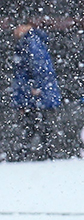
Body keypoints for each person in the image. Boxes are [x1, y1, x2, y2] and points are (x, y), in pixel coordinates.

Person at [10, 23, 62, 161]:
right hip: (37, 94)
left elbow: (38, 66)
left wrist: (34, 87)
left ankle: (27, 155)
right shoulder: (32, 41)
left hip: (35, 94)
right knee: (39, 126)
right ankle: (46, 154)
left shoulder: (31, 42)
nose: (14, 32)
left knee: (33, 125)